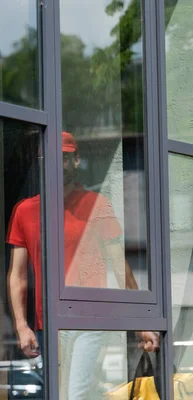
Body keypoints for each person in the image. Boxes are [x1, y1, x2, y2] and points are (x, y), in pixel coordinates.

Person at [6, 131, 159, 398]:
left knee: (75, 395)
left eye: (65, 157)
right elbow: (17, 276)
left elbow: (118, 265)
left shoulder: (97, 205)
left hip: (91, 319)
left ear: (76, 161)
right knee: (58, 394)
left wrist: (140, 320)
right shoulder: (25, 211)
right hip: (48, 322)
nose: (59, 163)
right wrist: (21, 325)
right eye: (52, 158)